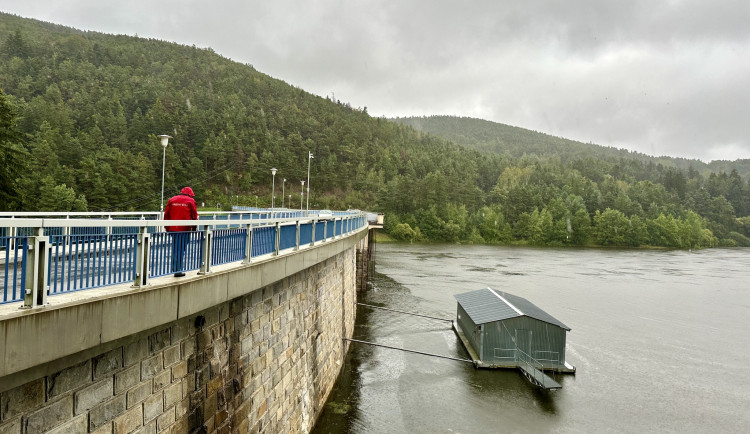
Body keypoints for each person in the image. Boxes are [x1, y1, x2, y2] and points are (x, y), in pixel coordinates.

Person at [164, 186, 198, 277]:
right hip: (185, 229)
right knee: (181, 249)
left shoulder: (172, 200)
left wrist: (167, 228)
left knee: (175, 248)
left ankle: (175, 268)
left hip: (173, 229)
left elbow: (166, 214)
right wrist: (194, 229)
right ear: (190, 194)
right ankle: (178, 270)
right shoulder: (191, 201)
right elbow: (194, 216)